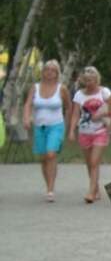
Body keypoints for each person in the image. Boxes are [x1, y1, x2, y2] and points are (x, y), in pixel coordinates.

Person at [22, 59, 71, 201]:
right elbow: (28, 104)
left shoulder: (62, 89)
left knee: (51, 154)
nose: (49, 73)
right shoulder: (35, 87)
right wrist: (26, 118)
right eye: (46, 70)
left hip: (56, 126)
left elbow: (69, 107)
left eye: (52, 70)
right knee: (43, 158)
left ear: (57, 73)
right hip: (39, 126)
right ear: (42, 72)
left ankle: (51, 189)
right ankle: (48, 184)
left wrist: (67, 126)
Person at [68, 66, 111, 202]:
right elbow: (75, 114)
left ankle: (91, 193)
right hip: (84, 131)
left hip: (100, 131)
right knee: (89, 163)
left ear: (96, 79)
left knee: (94, 162)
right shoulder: (79, 95)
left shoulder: (104, 92)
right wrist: (71, 131)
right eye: (86, 80)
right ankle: (96, 188)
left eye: (91, 80)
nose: (89, 83)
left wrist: (106, 117)